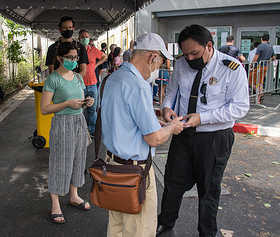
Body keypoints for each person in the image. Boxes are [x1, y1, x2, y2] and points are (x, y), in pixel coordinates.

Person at [156, 24, 250, 236]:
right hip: (183, 133)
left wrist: (203, 118)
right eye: (185, 53)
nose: (189, 58)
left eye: (194, 53)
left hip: (214, 139)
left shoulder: (231, 68)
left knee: (209, 188)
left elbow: (240, 107)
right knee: (173, 181)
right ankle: (166, 221)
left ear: (209, 46)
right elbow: (171, 90)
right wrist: (166, 108)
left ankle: (207, 232)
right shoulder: (181, 64)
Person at [100, 32, 185, 237]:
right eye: (160, 63)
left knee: (117, 226)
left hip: (111, 165)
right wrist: (172, 127)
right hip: (134, 172)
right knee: (139, 229)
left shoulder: (113, 77)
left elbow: (124, 118)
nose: (158, 70)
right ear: (151, 57)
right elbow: (153, 138)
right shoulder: (138, 86)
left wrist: (156, 123)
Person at [40, 42, 95, 224]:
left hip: (79, 121)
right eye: (70, 58)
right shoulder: (53, 79)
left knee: (78, 160)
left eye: (75, 58)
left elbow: (78, 100)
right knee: (59, 162)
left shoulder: (78, 78)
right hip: (62, 123)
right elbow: (45, 109)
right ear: (59, 58)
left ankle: (74, 195)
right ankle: (55, 203)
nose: (73, 61)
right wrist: (67, 104)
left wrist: (87, 102)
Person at [78, 29, 107, 136]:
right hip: (79, 85)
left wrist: (95, 65)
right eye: (82, 37)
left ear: (89, 38)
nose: (85, 39)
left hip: (93, 84)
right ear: (78, 39)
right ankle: (80, 131)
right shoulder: (77, 50)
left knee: (92, 110)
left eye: (86, 37)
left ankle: (92, 131)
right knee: (79, 110)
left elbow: (105, 56)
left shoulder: (93, 50)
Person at [250, 34, 275, 104]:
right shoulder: (270, 47)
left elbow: (255, 58)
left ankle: (260, 94)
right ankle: (258, 99)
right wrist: (268, 59)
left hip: (258, 67)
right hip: (265, 66)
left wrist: (251, 65)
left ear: (261, 39)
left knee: (249, 81)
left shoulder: (260, 46)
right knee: (260, 82)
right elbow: (274, 58)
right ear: (269, 39)